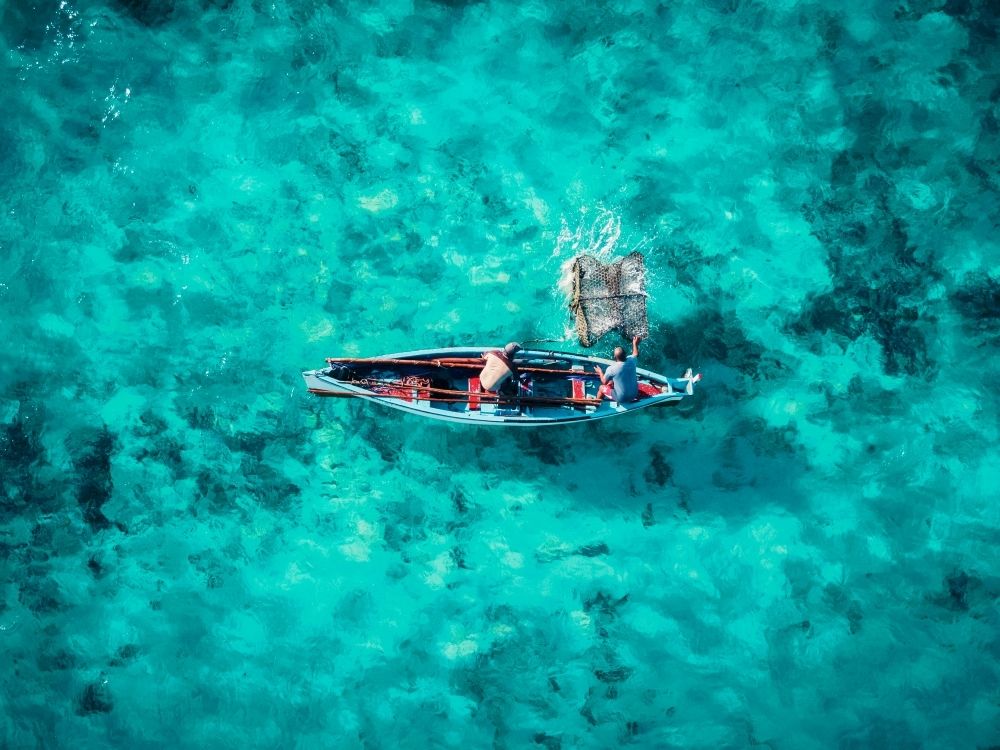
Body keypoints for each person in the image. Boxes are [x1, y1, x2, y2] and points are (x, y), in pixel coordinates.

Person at [594, 336, 641, 402]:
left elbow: (604, 382)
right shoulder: (632, 360)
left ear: (614, 357)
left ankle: (596, 402)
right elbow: (635, 353)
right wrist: (635, 344)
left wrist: (600, 372)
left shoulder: (611, 369)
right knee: (611, 382)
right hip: (634, 394)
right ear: (625, 354)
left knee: (601, 387)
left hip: (622, 398)